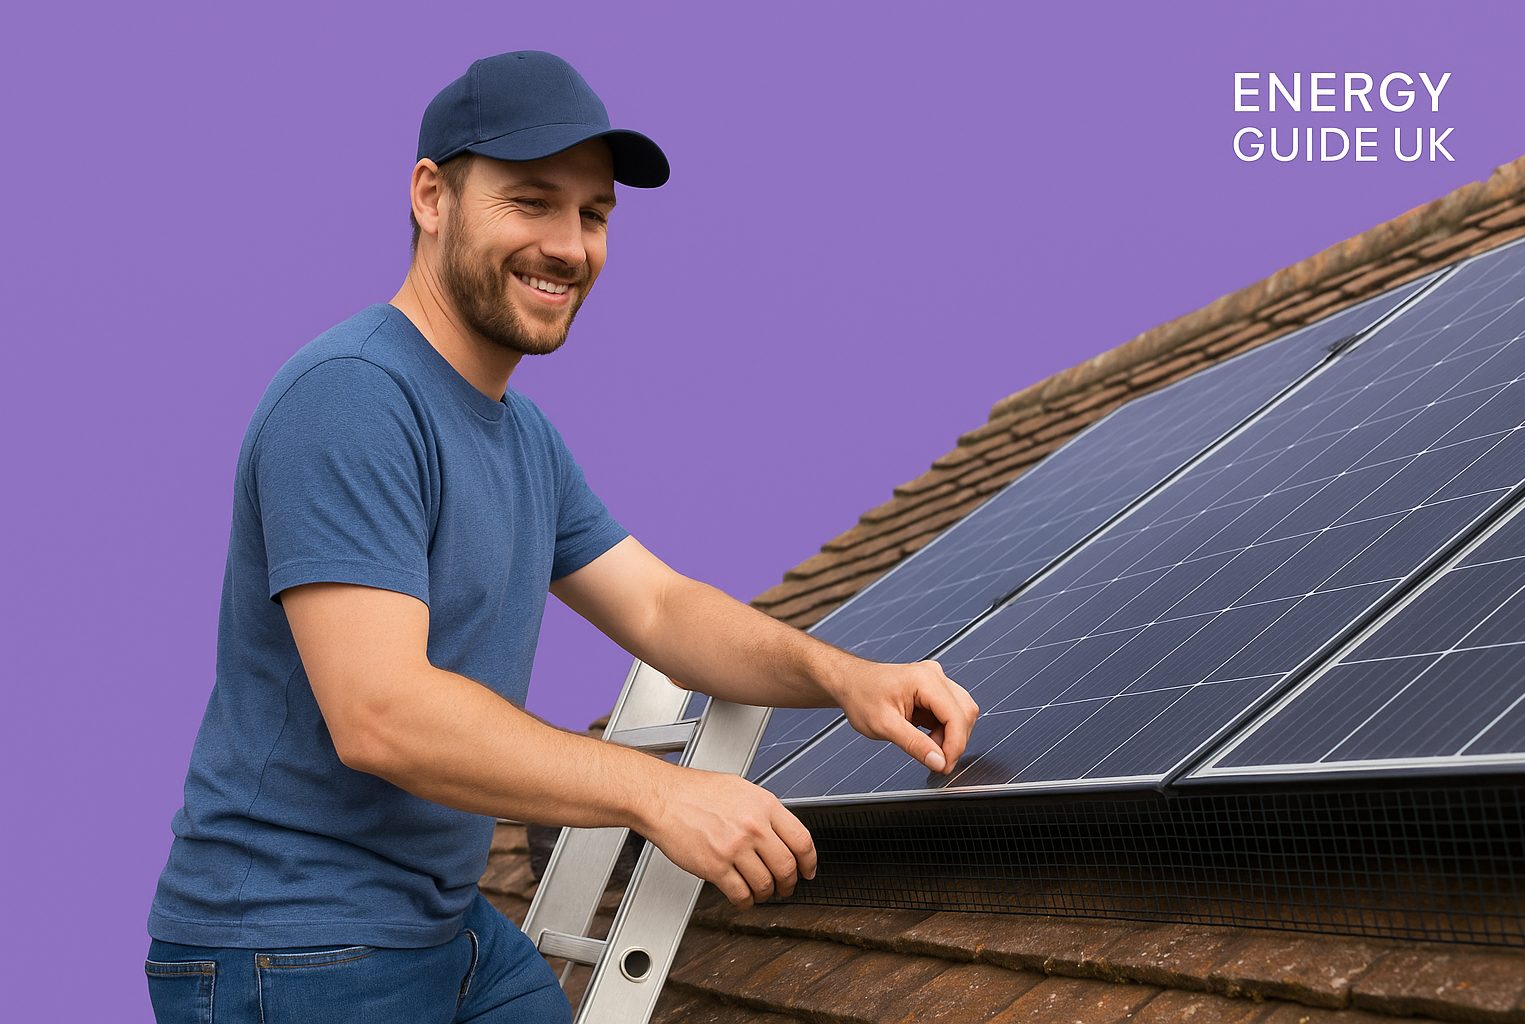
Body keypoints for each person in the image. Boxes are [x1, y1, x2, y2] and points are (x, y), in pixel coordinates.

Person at [143, 50, 979, 1023]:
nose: (570, 244)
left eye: (593, 214)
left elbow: (661, 608)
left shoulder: (522, 437)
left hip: (442, 927)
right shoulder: (353, 398)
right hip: (292, 948)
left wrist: (846, 678)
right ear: (431, 196)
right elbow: (380, 712)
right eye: (532, 201)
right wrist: (655, 794)